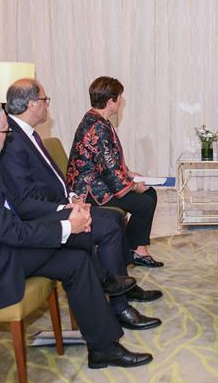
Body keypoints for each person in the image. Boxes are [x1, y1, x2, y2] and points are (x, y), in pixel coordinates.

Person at [0, 102, 152, 368]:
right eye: (6, 132)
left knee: (76, 260)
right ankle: (105, 284)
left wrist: (68, 219)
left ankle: (103, 347)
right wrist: (68, 227)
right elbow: (11, 231)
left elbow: (7, 222)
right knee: (74, 240)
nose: (9, 137)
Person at [0, 78, 162, 330]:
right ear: (31, 104)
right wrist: (67, 208)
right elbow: (24, 201)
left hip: (68, 201)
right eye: (45, 100)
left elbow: (55, 180)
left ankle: (121, 288)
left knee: (114, 220)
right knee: (113, 222)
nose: (47, 105)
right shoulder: (12, 141)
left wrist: (72, 199)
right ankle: (119, 305)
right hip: (45, 217)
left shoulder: (26, 135)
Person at [66, 76, 164, 268]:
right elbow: (109, 170)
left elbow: (109, 161)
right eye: (119, 97)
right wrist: (134, 186)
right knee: (145, 202)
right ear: (111, 101)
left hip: (99, 182)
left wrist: (129, 174)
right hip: (90, 192)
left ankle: (136, 249)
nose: (121, 101)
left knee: (149, 194)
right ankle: (132, 250)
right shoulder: (98, 127)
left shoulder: (95, 119)